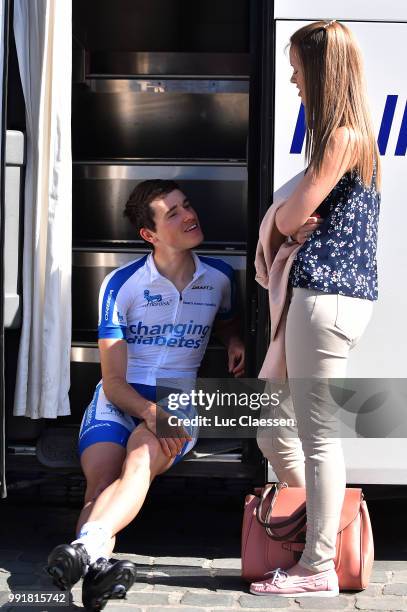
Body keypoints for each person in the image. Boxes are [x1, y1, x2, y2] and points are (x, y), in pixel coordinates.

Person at [46, 179, 245, 611]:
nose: (189, 215)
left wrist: (233, 341)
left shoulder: (220, 277)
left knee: (139, 459)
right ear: (149, 235)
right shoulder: (121, 284)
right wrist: (149, 413)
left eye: (187, 206)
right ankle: (96, 568)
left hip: (178, 392)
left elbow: (227, 320)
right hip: (121, 394)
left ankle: (84, 551)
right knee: (99, 485)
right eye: (172, 213)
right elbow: (114, 382)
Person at [251, 20, 381, 598]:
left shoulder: (343, 137)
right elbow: (287, 219)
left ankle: (317, 564)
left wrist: (279, 223)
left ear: (324, 73)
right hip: (318, 297)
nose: (293, 79)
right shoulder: (341, 139)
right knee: (270, 426)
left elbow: (286, 218)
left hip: (325, 299)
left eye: (299, 69)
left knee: (317, 434)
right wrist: (282, 223)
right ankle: (313, 528)